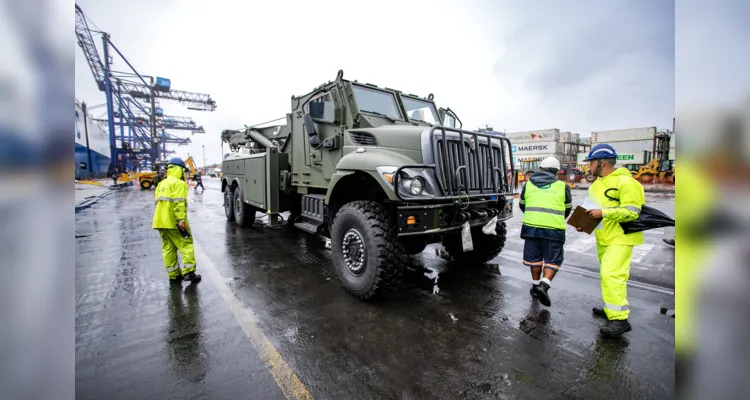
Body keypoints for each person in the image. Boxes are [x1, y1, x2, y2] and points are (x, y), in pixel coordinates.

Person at [577, 143, 645, 337]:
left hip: (621, 237)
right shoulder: (597, 184)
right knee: (607, 275)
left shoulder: (627, 182)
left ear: (602, 162)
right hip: (604, 237)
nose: (588, 167)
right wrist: (584, 224)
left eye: (590, 163)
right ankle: (611, 309)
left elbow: (632, 212)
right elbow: (591, 209)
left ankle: (619, 320)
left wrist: (603, 212)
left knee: (613, 275)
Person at [518, 157, 573, 307]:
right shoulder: (563, 186)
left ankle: (535, 286)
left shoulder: (528, 185)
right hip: (554, 229)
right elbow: (567, 208)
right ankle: (544, 285)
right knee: (553, 260)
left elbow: (522, 205)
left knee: (534, 259)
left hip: (531, 227)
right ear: (556, 171)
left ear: (540, 169)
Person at [153, 157, 201, 283]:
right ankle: (189, 272)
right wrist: (181, 220)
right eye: (183, 171)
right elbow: (179, 203)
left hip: (159, 221)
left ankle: (174, 275)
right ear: (179, 169)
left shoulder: (161, 184)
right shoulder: (179, 184)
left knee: (168, 248)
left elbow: (157, 202)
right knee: (186, 244)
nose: (184, 173)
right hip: (173, 221)